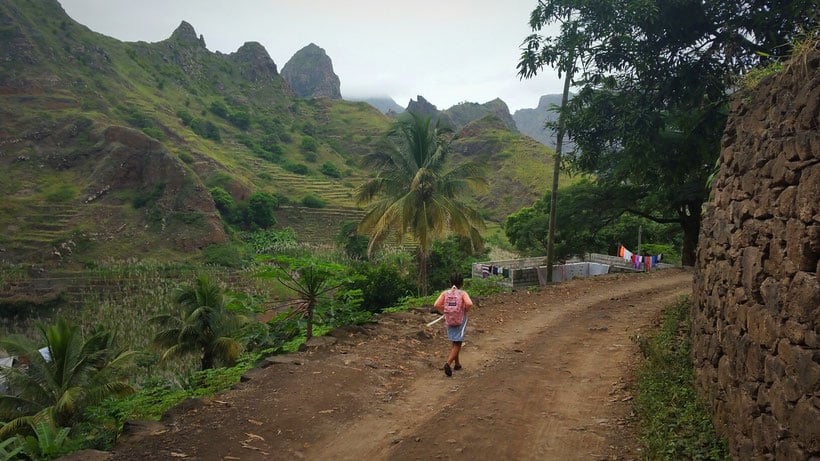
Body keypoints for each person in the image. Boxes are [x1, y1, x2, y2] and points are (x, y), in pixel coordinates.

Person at [434, 272, 473, 377]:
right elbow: (469, 303)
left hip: (449, 319)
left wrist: (446, 310)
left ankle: (457, 364)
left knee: (454, 341)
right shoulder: (462, 293)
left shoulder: (445, 293)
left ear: (450, 282)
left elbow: (436, 304)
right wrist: (464, 309)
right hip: (460, 320)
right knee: (458, 343)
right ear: (462, 283)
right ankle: (448, 363)